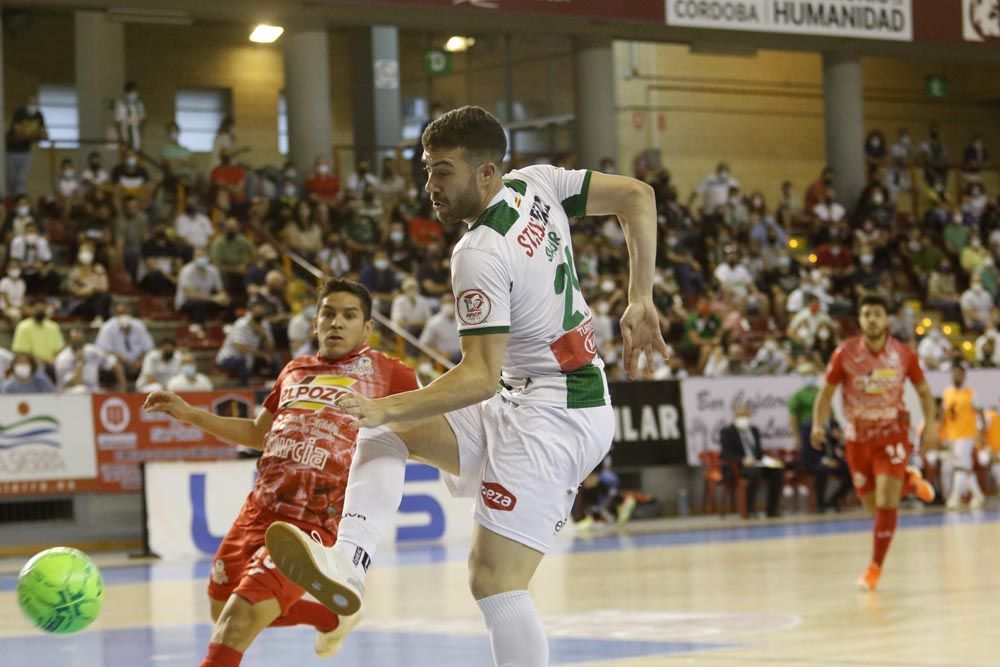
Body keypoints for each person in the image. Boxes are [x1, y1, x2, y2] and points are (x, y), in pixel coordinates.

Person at [263, 105, 668, 667]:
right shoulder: (537, 183)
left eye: (442, 171)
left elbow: (476, 376)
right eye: (428, 170)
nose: (430, 185)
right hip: (531, 393)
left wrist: (385, 406)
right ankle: (347, 562)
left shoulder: (478, 253)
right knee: (390, 432)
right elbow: (638, 197)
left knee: (495, 580)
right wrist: (641, 295)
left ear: (485, 173)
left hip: (558, 412)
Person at [143, 278, 418, 667]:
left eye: (349, 315)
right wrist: (190, 415)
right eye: (329, 313)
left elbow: (430, 426)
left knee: (235, 624)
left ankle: (331, 612)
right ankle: (332, 616)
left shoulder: (391, 374)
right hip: (259, 508)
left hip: (313, 521)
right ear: (315, 321)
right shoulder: (295, 369)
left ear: (367, 327)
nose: (336, 322)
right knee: (221, 609)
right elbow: (259, 433)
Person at [811, 294, 938, 591]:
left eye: (877, 314)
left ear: (887, 319)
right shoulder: (844, 353)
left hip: (892, 435)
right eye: (866, 314)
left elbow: (923, 392)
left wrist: (930, 425)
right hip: (857, 441)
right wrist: (818, 424)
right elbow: (827, 393)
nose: (871, 319)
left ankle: (874, 568)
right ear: (860, 320)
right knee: (875, 508)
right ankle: (910, 480)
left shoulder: (904, 354)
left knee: (885, 501)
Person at [720, 404, 784, 518]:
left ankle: (772, 509)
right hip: (739, 466)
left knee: (777, 471)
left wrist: (770, 461)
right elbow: (727, 455)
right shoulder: (727, 432)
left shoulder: (754, 430)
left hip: (756, 463)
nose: (743, 418)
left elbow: (758, 453)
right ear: (734, 416)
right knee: (755, 473)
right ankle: (749, 509)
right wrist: (743, 460)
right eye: (740, 415)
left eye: (745, 415)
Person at [940, 364, 986, 510]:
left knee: (960, 465)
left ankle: (954, 498)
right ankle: (978, 495)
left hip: (966, 435)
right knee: (965, 467)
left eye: (959, 374)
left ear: (964, 376)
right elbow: (944, 416)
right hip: (951, 435)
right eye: (954, 373)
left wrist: (981, 433)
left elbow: (981, 415)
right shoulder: (947, 393)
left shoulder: (971, 393)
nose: (956, 376)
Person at [214, 299, 277, 386]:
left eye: (262, 308)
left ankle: (274, 386)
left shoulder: (264, 324)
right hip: (228, 359)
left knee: (275, 358)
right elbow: (240, 349)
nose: (260, 310)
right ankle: (245, 389)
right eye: (257, 308)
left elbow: (271, 349)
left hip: (250, 358)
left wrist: (264, 336)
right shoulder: (241, 324)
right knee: (242, 361)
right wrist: (262, 354)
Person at [95, 302, 155, 382]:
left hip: (138, 363)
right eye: (120, 313)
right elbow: (104, 350)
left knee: (152, 357)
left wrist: (139, 362)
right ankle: (123, 387)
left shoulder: (139, 325)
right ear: (115, 314)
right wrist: (126, 363)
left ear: (130, 313)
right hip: (120, 363)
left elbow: (148, 348)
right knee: (112, 360)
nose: (123, 316)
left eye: (125, 313)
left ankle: (149, 386)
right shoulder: (107, 327)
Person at [54, 328, 125, 393]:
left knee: (107, 393)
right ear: (69, 341)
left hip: (94, 390)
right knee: (81, 390)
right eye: (76, 339)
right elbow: (73, 383)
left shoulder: (92, 351)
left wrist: (122, 387)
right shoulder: (63, 358)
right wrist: (80, 361)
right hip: (68, 393)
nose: (79, 341)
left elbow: (115, 364)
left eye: (80, 339)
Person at [5, 94, 47, 197]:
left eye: (35, 103)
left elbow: (43, 134)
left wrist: (29, 135)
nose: (33, 105)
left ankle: (19, 199)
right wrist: (34, 135)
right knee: (11, 179)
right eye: (31, 103)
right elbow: (17, 134)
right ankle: (10, 199)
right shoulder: (19, 113)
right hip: (12, 151)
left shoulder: (38, 115)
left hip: (26, 151)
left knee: (22, 180)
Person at [176, 249, 231, 325]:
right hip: (186, 302)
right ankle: (200, 330)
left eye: (203, 256)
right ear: (193, 258)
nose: (201, 258)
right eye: (198, 256)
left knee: (230, 302)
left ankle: (227, 328)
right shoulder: (186, 270)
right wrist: (213, 298)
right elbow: (191, 295)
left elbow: (220, 290)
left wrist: (224, 297)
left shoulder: (214, 270)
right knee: (199, 304)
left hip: (207, 300)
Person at [12, 301, 65, 371]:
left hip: (53, 364)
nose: (39, 312)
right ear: (31, 310)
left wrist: (54, 360)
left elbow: (59, 349)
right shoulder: (23, 327)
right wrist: (45, 360)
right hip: (32, 364)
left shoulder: (53, 326)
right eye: (37, 310)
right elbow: (22, 353)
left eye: (42, 310)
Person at [114, 81, 146, 149]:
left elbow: (143, 119)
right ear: (126, 93)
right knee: (128, 151)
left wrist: (141, 133)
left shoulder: (139, 105)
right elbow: (117, 122)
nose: (134, 94)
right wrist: (120, 137)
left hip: (137, 134)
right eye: (131, 92)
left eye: (135, 91)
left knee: (137, 152)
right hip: (126, 133)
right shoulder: (121, 105)